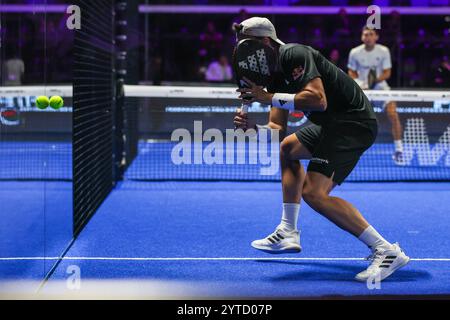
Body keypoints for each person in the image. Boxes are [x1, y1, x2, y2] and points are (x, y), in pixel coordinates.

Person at [233, 17, 409, 282]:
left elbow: (318, 99)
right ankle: (288, 230)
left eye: (250, 46)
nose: (248, 56)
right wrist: (253, 129)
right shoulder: (274, 77)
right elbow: (276, 129)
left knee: (314, 193)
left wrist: (266, 97)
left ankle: (386, 251)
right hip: (331, 125)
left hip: (353, 123)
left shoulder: (294, 53)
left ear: (266, 42)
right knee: (287, 148)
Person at [348, 27, 404, 164]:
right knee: (353, 118)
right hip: (363, 89)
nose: (368, 37)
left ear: (376, 37)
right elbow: (351, 71)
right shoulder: (354, 52)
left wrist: (373, 81)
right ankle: (350, 148)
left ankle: (399, 149)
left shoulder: (383, 51)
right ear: (362, 37)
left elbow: (387, 73)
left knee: (393, 114)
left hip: (381, 88)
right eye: (365, 34)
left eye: (371, 34)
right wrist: (360, 83)